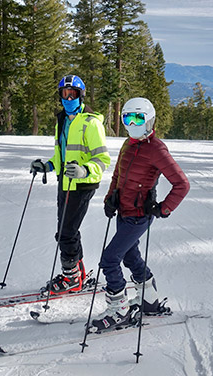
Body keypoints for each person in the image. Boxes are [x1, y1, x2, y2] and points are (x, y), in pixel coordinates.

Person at [89, 97, 190, 333]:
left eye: (138, 118)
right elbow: (118, 174)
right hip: (123, 212)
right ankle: (149, 300)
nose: (132, 123)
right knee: (129, 257)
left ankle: (120, 310)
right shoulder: (128, 144)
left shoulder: (156, 149)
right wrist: (110, 198)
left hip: (139, 214)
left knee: (109, 259)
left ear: (149, 120)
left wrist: (163, 208)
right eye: (127, 118)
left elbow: (182, 184)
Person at [30, 75, 110, 295]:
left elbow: (102, 161)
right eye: (64, 94)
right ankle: (78, 273)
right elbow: (61, 158)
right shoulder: (63, 120)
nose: (68, 98)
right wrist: (46, 166)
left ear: (80, 95)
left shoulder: (91, 123)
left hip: (82, 185)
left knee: (66, 232)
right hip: (64, 183)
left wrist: (85, 171)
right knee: (67, 230)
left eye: (72, 94)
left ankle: (71, 278)